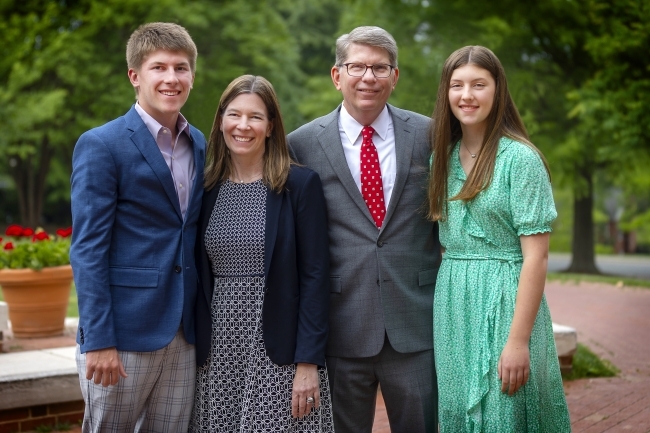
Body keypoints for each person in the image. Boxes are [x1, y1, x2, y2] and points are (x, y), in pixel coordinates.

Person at [288, 26, 441, 433]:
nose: (368, 78)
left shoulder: (431, 135)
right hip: (342, 325)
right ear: (337, 75)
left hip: (415, 323)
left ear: (395, 76)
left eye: (379, 68)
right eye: (357, 67)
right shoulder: (300, 145)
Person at [70, 22, 205, 432]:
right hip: (122, 335)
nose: (171, 78)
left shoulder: (197, 142)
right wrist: (98, 339)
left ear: (192, 76)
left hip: (184, 334)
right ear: (135, 76)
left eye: (181, 68)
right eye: (158, 67)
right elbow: (88, 249)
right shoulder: (102, 144)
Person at [428, 45, 571, 431]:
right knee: (458, 410)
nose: (467, 95)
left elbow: (536, 258)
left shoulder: (520, 159)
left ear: (497, 90)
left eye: (479, 84)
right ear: (446, 93)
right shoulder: (441, 157)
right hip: (454, 302)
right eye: (457, 85)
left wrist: (519, 340)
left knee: (504, 410)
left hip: (507, 300)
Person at [190, 75, 334, 432]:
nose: (243, 125)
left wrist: (307, 362)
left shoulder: (299, 185)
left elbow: (316, 277)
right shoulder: (205, 188)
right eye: (234, 115)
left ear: (271, 126)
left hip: (280, 348)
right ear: (221, 121)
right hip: (219, 350)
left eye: (255, 117)